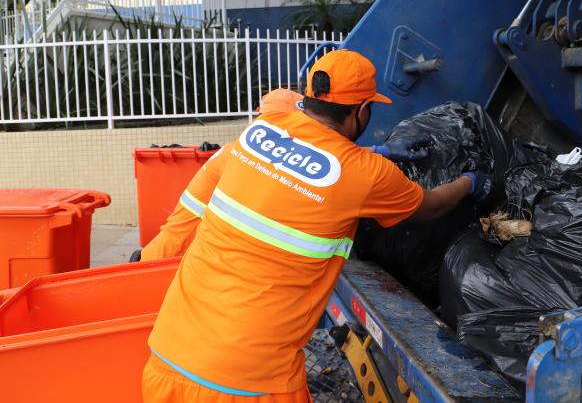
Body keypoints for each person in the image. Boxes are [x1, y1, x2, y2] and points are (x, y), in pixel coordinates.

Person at [142, 49, 492, 402]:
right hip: (248, 384)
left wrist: (381, 151)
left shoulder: (260, 132)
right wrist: (471, 182)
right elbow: (430, 207)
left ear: (310, 97)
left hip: (168, 358)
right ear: (361, 111)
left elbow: (307, 154)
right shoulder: (366, 175)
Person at [139, 89, 432, 262]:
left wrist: (381, 150)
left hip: (174, 256)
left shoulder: (244, 151)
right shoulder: (243, 157)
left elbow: (316, 156)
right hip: (172, 263)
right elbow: (324, 163)